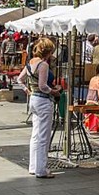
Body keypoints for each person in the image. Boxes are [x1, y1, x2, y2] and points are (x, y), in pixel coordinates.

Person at [17, 38, 61, 179]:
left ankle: (33, 166)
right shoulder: (43, 65)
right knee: (43, 136)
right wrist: (54, 91)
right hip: (43, 100)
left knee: (35, 135)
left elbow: (19, 79)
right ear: (48, 52)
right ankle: (41, 169)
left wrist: (27, 89)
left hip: (33, 100)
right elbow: (43, 86)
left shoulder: (30, 63)